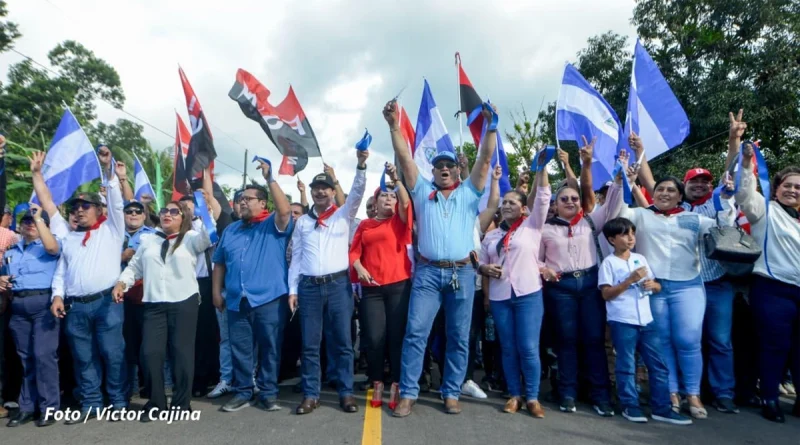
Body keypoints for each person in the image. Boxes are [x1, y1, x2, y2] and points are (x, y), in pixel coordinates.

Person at [384, 100, 495, 417]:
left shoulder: (469, 192)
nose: (444, 169)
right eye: (439, 166)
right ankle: (408, 393)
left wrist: (491, 126)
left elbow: (485, 159)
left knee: (459, 337)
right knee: (415, 333)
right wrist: (394, 125)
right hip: (428, 275)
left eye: (450, 166)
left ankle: (450, 391)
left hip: (462, 274)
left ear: (458, 171)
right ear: (432, 171)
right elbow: (405, 158)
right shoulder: (421, 191)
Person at [621, 157, 736, 419]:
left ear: (679, 196)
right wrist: (625, 184)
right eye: (660, 189)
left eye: (671, 190)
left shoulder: (693, 219)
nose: (664, 193)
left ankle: (693, 394)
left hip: (689, 286)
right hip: (655, 286)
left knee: (688, 341)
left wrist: (727, 199)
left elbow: (724, 228)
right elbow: (618, 213)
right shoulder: (642, 215)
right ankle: (670, 392)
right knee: (662, 342)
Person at [539, 139, 626, 416]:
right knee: (565, 341)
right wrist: (544, 269)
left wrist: (621, 176)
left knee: (592, 340)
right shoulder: (546, 229)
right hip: (560, 288)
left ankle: (601, 396)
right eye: (564, 199)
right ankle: (567, 393)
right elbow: (535, 258)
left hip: (589, 285)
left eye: (574, 198)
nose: (570, 202)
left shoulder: (591, 221)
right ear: (556, 203)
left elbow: (611, 203)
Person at [113, 200, 211, 420]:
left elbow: (208, 235)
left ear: (182, 218)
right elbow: (135, 267)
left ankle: (181, 404)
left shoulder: (191, 239)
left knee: (182, 354)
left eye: (175, 211)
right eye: (165, 210)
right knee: (150, 353)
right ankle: (156, 402)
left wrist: (203, 209)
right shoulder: (149, 240)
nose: (168, 214)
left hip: (183, 302)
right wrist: (122, 283)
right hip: (154, 304)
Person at [288, 148, 368, 415]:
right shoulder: (302, 223)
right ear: (311, 193)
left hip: (337, 286)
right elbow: (296, 259)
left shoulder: (342, 215)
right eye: (316, 189)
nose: (320, 192)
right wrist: (292, 289)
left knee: (342, 342)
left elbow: (357, 192)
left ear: (333, 191)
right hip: (309, 288)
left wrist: (360, 165)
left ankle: (345, 392)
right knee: (310, 344)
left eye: (325, 188)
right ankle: (312, 394)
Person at [49, 158, 129, 425]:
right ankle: (91, 403)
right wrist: (57, 296)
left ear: (98, 209)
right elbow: (61, 272)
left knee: (112, 353)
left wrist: (109, 172)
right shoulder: (70, 237)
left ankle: (118, 401)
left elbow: (118, 204)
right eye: (75, 207)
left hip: (107, 302)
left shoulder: (112, 229)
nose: (79, 210)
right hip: (76, 307)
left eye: (85, 206)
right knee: (84, 357)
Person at [212, 160, 293, 413]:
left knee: (269, 348)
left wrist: (270, 178)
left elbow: (285, 211)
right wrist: (216, 292)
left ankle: (268, 393)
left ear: (263, 203)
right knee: (240, 350)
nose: (243, 202)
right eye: (240, 198)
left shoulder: (273, 225)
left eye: (249, 198)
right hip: (236, 300)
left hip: (268, 300)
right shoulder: (231, 230)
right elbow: (219, 264)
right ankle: (243, 392)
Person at [599, 217, 693, 425]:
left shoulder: (640, 258)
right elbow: (606, 293)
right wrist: (629, 281)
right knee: (626, 364)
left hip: (646, 320)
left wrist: (653, 285)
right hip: (622, 320)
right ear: (612, 240)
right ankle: (630, 405)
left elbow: (656, 285)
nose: (630, 238)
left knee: (658, 365)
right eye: (624, 234)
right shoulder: (609, 263)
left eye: (632, 233)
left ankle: (662, 408)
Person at [731, 142, 800, 422]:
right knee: (775, 346)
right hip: (772, 289)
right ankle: (770, 398)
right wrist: (746, 164)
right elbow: (744, 194)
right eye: (788, 185)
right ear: (778, 185)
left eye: (798, 187)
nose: (792, 191)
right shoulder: (765, 210)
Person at [478, 152, 550, 418]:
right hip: (500, 297)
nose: (507, 205)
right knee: (507, 347)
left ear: (523, 208)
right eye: (504, 202)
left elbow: (542, 197)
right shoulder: (492, 235)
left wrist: (541, 169)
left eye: (512, 202)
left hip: (529, 294)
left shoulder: (532, 226)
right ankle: (514, 395)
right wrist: (484, 268)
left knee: (529, 347)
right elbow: (481, 263)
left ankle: (532, 397)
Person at [349, 163, 412, 409]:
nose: (389, 198)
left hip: (398, 286)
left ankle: (396, 383)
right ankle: (377, 381)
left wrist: (397, 181)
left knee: (396, 337)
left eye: (392, 196)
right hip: (372, 289)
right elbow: (353, 251)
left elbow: (406, 204)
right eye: (383, 195)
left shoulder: (399, 220)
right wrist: (359, 266)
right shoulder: (365, 225)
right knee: (374, 337)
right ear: (374, 202)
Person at [1, 206, 61, 427]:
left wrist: (39, 217)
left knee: (43, 356)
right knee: (25, 359)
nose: (30, 224)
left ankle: (49, 407)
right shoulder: (11, 251)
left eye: (35, 221)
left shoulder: (49, 245)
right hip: (18, 306)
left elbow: (53, 248)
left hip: (43, 304)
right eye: (26, 220)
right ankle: (27, 406)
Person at [120, 200, 156, 400]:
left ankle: (153, 389)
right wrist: (121, 256)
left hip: (146, 297)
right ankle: (128, 389)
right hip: (119, 299)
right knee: (125, 346)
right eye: (129, 211)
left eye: (137, 211)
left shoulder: (153, 236)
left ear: (144, 215)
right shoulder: (115, 234)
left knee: (149, 346)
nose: (133, 214)